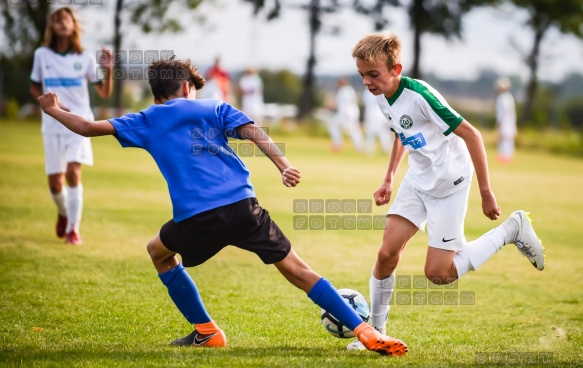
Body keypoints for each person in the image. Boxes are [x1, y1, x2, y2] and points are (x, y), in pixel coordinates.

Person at [36, 56, 408, 356]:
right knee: (297, 268)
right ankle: (367, 331)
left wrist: (53, 109)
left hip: (197, 219)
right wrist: (283, 165)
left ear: (156, 94)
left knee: (158, 252)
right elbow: (253, 132)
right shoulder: (213, 106)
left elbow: (85, 127)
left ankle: (207, 331)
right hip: (245, 207)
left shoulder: (146, 119)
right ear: (186, 87)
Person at [346, 33, 545, 351]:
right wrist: (389, 178)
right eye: (362, 76)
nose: (367, 82)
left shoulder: (421, 95)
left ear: (396, 69)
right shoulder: (382, 96)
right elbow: (401, 132)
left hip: (449, 184)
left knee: (438, 274)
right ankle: (377, 332)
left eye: (374, 74)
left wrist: (486, 191)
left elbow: (473, 135)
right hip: (417, 181)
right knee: (386, 255)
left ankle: (512, 229)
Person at [30, 7, 113, 245]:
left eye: (66, 19)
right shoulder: (42, 55)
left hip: (79, 124)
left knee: (73, 173)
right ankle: (64, 212)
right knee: (55, 184)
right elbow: (34, 87)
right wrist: (46, 102)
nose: (62, 23)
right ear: (52, 27)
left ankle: (73, 230)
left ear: (74, 25)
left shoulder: (85, 57)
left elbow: (104, 93)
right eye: (57, 20)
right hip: (52, 124)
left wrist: (108, 71)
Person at [327, 78, 365, 152]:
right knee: (336, 126)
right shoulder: (349, 90)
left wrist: (347, 114)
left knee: (351, 130)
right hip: (349, 113)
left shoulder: (344, 91)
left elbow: (348, 103)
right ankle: (338, 145)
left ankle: (358, 147)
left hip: (346, 114)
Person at [362, 88, 393, 155]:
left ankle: (372, 150)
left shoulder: (368, 92)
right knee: (382, 132)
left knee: (374, 133)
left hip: (375, 114)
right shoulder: (381, 91)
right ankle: (385, 149)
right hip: (378, 113)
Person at [495, 77, 517, 163]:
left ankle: (504, 156)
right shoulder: (509, 97)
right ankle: (507, 155)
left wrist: (499, 122)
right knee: (508, 139)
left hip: (505, 122)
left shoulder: (501, 98)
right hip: (510, 122)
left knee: (504, 139)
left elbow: (501, 112)